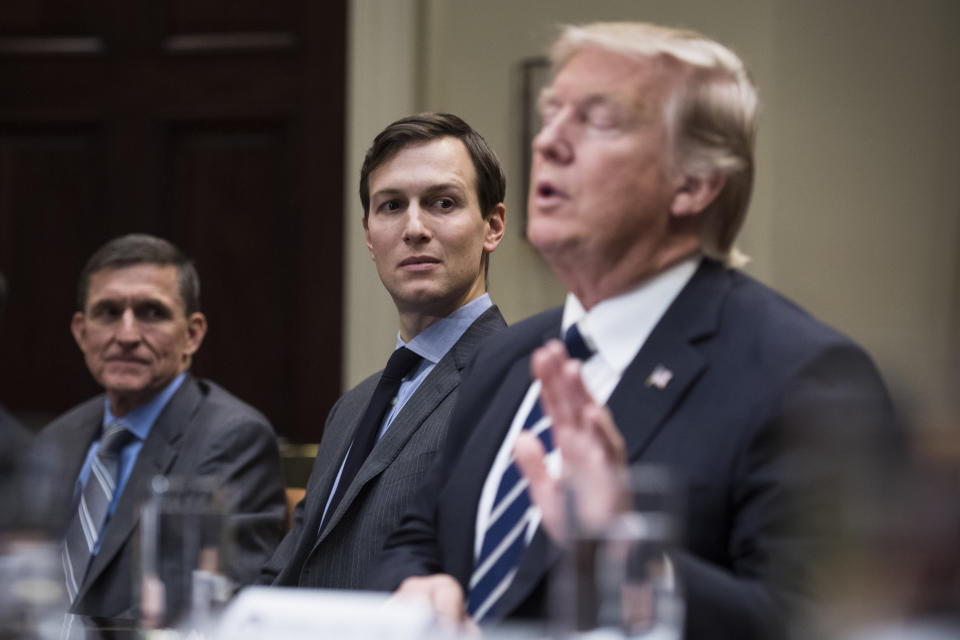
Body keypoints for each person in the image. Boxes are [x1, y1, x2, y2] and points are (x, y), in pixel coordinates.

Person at [369, 23, 900, 639]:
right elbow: (417, 537)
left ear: (695, 183)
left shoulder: (808, 378)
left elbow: (820, 626)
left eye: (599, 121)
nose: (548, 143)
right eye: (552, 114)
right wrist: (416, 586)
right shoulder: (510, 357)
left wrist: (630, 556)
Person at [259, 113, 507, 589]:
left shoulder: (515, 381)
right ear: (370, 237)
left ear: (492, 226)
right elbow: (291, 568)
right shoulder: (352, 407)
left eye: (442, 202)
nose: (414, 227)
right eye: (392, 206)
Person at [35, 234, 286, 620]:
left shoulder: (234, 438)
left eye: (152, 313)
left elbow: (194, 608)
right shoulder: (57, 437)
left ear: (193, 334)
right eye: (108, 312)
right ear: (81, 332)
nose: (127, 335)